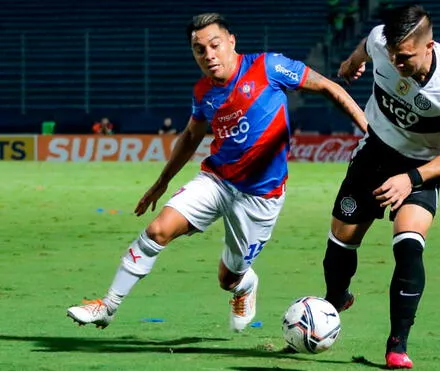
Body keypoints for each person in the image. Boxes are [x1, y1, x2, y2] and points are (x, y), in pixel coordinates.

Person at [67, 12, 367, 332]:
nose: (209, 55)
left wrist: (368, 131)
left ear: (231, 42)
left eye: (215, 45)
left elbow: (328, 87)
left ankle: (244, 285)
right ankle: (108, 306)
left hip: (260, 197)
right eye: (200, 50)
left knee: (228, 278)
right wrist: (160, 183)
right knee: (158, 230)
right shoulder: (203, 92)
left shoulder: (268, 67)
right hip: (217, 180)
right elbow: (191, 137)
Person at [324, 5, 440, 369]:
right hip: (375, 149)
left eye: (406, 56)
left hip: (420, 166)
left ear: (429, 46)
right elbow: (369, 42)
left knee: (408, 246)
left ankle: (397, 343)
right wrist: (351, 62)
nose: (397, 62)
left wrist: (410, 179)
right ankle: (334, 300)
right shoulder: (382, 42)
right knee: (340, 242)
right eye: (393, 54)